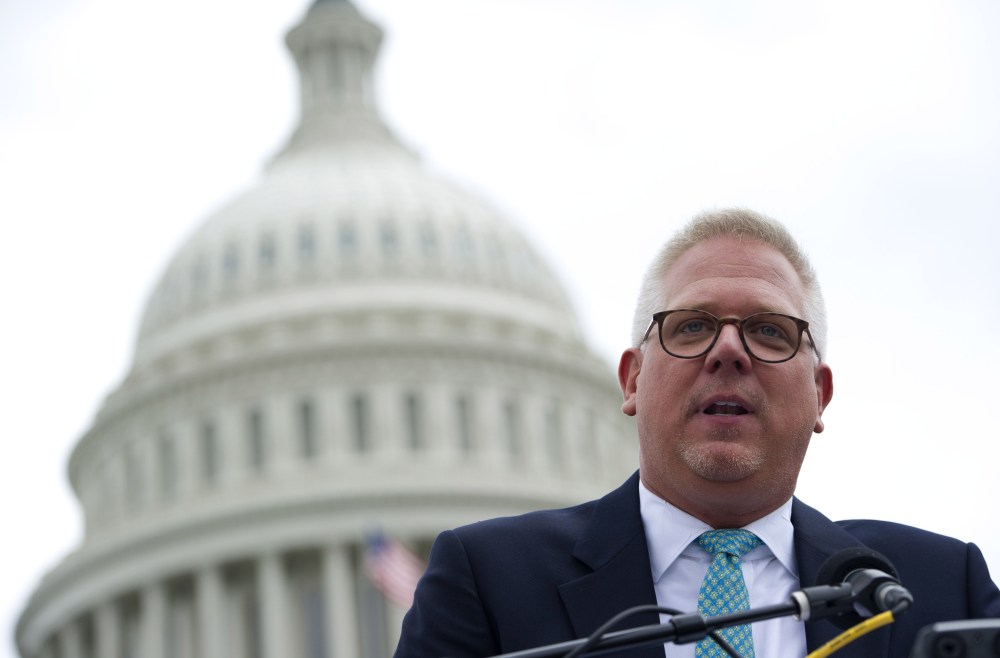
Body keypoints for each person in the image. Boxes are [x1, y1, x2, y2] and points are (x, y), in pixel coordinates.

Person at [393, 208, 1000, 658]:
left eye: (769, 331)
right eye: (691, 327)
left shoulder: (940, 587)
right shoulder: (489, 582)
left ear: (820, 393)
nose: (729, 351)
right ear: (632, 380)